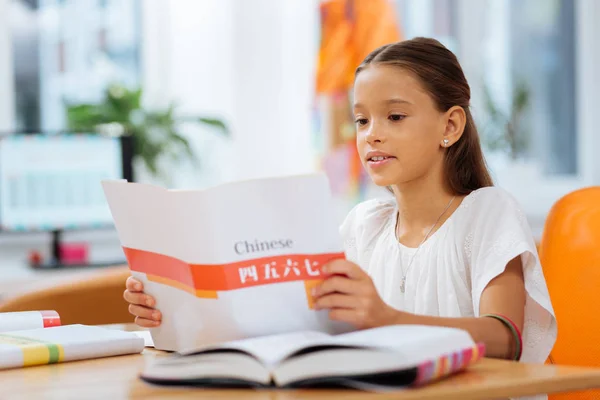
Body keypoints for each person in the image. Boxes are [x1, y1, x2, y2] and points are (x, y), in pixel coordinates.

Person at [123, 37, 556, 364]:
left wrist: (388, 319)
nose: (372, 134)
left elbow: (505, 338)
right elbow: (305, 326)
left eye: (395, 116)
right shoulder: (362, 226)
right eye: (362, 119)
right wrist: (177, 314)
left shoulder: (487, 212)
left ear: (451, 125)